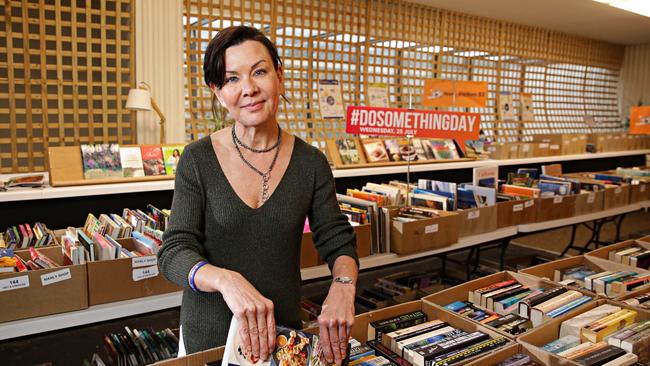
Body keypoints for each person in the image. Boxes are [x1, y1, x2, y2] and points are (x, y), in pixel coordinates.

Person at [158, 25, 359, 365]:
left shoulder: (311, 162)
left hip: (282, 342)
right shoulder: (197, 159)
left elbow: (338, 241)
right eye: (232, 79)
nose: (249, 88)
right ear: (218, 92)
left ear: (279, 76)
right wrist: (226, 280)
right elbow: (174, 251)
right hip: (209, 341)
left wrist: (343, 286)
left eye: (259, 72)